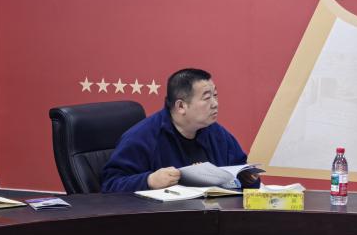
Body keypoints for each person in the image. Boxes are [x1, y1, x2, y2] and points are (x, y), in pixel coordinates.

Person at [101, 68, 259, 193]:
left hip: (210, 216)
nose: (215, 104)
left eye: (215, 95)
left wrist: (249, 179)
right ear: (181, 106)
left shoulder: (217, 134)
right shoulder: (142, 137)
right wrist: (148, 181)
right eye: (207, 98)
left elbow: (241, 171)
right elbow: (110, 185)